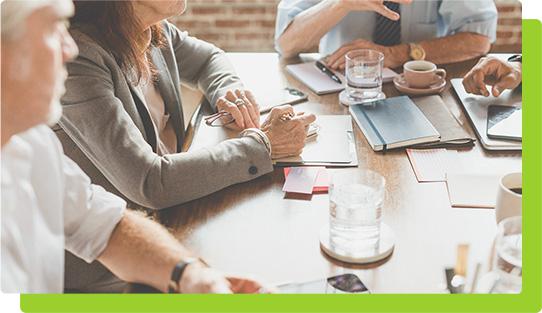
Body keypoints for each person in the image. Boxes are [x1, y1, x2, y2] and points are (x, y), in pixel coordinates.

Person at [1, 0, 269, 294]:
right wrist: (260, 145)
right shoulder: (86, 56)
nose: (69, 48)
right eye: (53, 30)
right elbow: (148, 181)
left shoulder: (31, 146)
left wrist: (190, 275)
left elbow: (106, 226)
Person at [275, 0, 498, 70]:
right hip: (339, 83)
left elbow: (479, 39)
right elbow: (287, 44)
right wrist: (340, 3)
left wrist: (397, 54)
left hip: (419, 83)